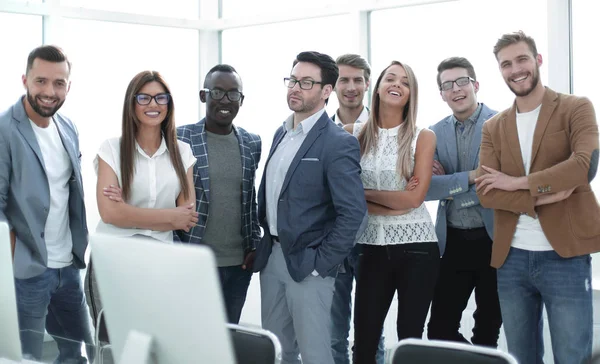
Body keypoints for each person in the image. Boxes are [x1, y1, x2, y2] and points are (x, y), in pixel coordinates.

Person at [475, 30, 600, 364]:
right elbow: (486, 193)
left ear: (537, 60)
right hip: (511, 258)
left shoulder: (576, 108)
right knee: (520, 357)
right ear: (500, 70)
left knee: (572, 356)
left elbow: (582, 168)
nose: (515, 69)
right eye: (506, 64)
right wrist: (543, 195)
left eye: (521, 59)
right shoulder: (493, 126)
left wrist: (516, 184)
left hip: (565, 258)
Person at [253, 51, 368, 364]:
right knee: (277, 352)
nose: (295, 88)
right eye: (292, 80)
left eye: (306, 82)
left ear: (326, 91)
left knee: (316, 354)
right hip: (273, 259)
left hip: (310, 265)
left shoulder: (337, 142)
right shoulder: (281, 132)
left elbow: (353, 213)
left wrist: (321, 264)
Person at [85, 70, 198, 343]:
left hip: (160, 262)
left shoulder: (182, 152)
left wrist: (129, 212)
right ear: (131, 104)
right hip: (112, 260)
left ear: (168, 104)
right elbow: (110, 214)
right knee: (112, 345)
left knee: (155, 345)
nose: (153, 105)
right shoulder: (111, 149)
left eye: (161, 98)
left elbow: (186, 218)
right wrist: (167, 216)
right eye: (144, 98)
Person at [0, 45, 95, 362]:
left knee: (78, 352)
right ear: (25, 80)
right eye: (41, 81)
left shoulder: (68, 127)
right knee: (22, 357)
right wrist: (14, 260)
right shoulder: (5, 130)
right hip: (27, 270)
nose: (49, 91)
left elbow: (69, 192)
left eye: (58, 83)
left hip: (68, 268)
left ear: (69, 86)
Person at [345, 61, 439, 364]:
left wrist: (363, 195)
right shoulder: (352, 134)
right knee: (364, 340)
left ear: (411, 93)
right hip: (370, 248)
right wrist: (392, 198)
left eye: (405, 82)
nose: (397, 84)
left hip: (418, 248)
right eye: (390, 78)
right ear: (378, 86)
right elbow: (344, 197)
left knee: (410, 340)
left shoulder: (423, 136)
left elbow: (414, 200)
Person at [425, 57, 502, 347]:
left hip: (495, 240)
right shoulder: (433, 133)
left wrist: (451, 184)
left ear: (475, 85)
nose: (455, 89)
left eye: (461, 81)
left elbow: (497, 186)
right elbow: (428, 189)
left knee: (487, 332)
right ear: (442, 94)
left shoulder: (501, 123)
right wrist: (472, 176)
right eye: (447, 85)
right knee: (439, 331)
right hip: (453, 243)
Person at [177, 64, 261, 324]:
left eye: (233, 94)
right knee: (194, 337)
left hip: (238, 265)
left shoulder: (252, 142)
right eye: (217, 92)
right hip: (194, 262)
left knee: (228, 340)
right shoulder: (180, 137)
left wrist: (254, 244)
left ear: (241, 100)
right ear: (204, 96)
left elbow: (251, 199)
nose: (225, 100)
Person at [329, 53, 385, 364]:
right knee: (333, 332)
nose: (351, 87)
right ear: (332, 85)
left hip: (374, 240)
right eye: (343, 80)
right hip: (333, 243)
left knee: (371, 333)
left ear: (367, 84)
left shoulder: (386, 127)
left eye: (357, 80)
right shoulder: (319, 129)